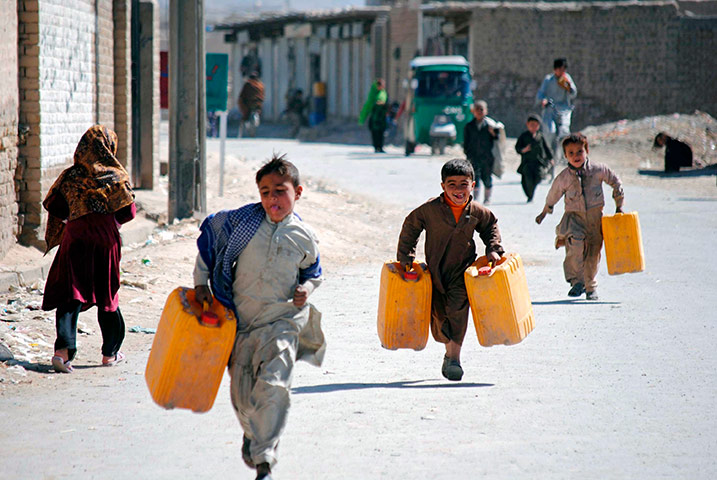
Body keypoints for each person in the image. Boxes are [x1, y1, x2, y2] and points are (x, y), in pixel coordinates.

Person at [193, 154, 324, 480]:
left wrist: (306, 289)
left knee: (274, 386)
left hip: (282, 322)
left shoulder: (304, 235)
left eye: (280, 190)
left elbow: (314, 272)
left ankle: (265, 458)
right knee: (243, 397)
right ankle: (253, 434)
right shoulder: (242, 225)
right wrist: (200, 284)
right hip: (240, 325)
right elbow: (209, 248)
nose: (271, 199)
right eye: (265, 191)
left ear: (298, 191)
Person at [397, 159, 504, 381]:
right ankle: (448, 351)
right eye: (451, 184)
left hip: (462, 271)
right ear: (443, 186)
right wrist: (406, 257)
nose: (458, 189)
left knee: (457, 309)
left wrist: (493, 249)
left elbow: (490, 226)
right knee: (439, 315)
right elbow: (410, 227)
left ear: (472, 185)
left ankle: (454, 358)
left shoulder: (476, 211)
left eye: (463, 184)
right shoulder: (430, 210)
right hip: (435, 271)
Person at [41, 125, 136, 373]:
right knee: (107, 295)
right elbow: (128, 211)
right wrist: (108, 223)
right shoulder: (116, 177)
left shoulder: (71, 177)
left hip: (75, 239)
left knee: (72, 293)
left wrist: (74, 222)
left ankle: (62, 354)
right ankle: (109, 353)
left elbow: (55, 205)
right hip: (105, 242)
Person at [535, 133, 624, 301]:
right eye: (571, 153)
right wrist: (544, 212)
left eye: (579, 151)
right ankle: (577, 282)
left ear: (587, 150)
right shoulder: (564, 177)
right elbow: (553, 194)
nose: (576, 156)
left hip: (595, 220)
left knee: (592, 253)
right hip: (574, 219)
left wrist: (619, 205)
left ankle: (590, 286)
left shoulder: (599, 170)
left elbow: (616, 182)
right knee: (574, 250)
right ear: (565, 155)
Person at [536, 58, 578, 170]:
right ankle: (548, 153)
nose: (561, 71)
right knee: (550, 132)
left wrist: (568, 87)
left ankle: (563, 155)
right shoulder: (548, 79)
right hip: (550, 109)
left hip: (563, 109)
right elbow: (541, 94)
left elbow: (573, 93)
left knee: (564, 132)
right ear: (555, 69)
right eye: (559, 69)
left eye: (563, 69)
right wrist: (543, 100)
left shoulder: (566, 78)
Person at [463, 100, 502, 205]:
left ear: (486, 111)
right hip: (473, 156)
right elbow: (466, 142)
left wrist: (492, 132)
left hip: (487, 156)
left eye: (481, 109)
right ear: (473, 111)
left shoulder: (491, 125)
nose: (479, 112)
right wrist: (468, 154)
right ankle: (475, 199)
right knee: (475, 177)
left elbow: (498, 138)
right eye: (477, 109)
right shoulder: (469, 126)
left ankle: (487, 198)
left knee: (487, 177)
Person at [515, 113, 554, 203]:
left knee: (539, 177)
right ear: (527, 125)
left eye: (536, 125)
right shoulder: (524, 136)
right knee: (527, 179)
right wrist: (524, 150)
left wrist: (550, 158)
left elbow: (546, 148)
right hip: (527, 162)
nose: (533, 127)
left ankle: (531, 192)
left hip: (538, 162)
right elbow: (517, 147)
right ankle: (530, 195)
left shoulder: (540, 136)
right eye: (531, 125)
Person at [359, 78, 388, 153]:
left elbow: (386, 104)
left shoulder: (383, 93)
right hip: (374, 118)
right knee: (375, 133)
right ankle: (376, 147)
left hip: (381, 117)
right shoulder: (372, 95)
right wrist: (362, 119)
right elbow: (367, 107)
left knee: (381, 133)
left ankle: (380, 147)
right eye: (381, 86)